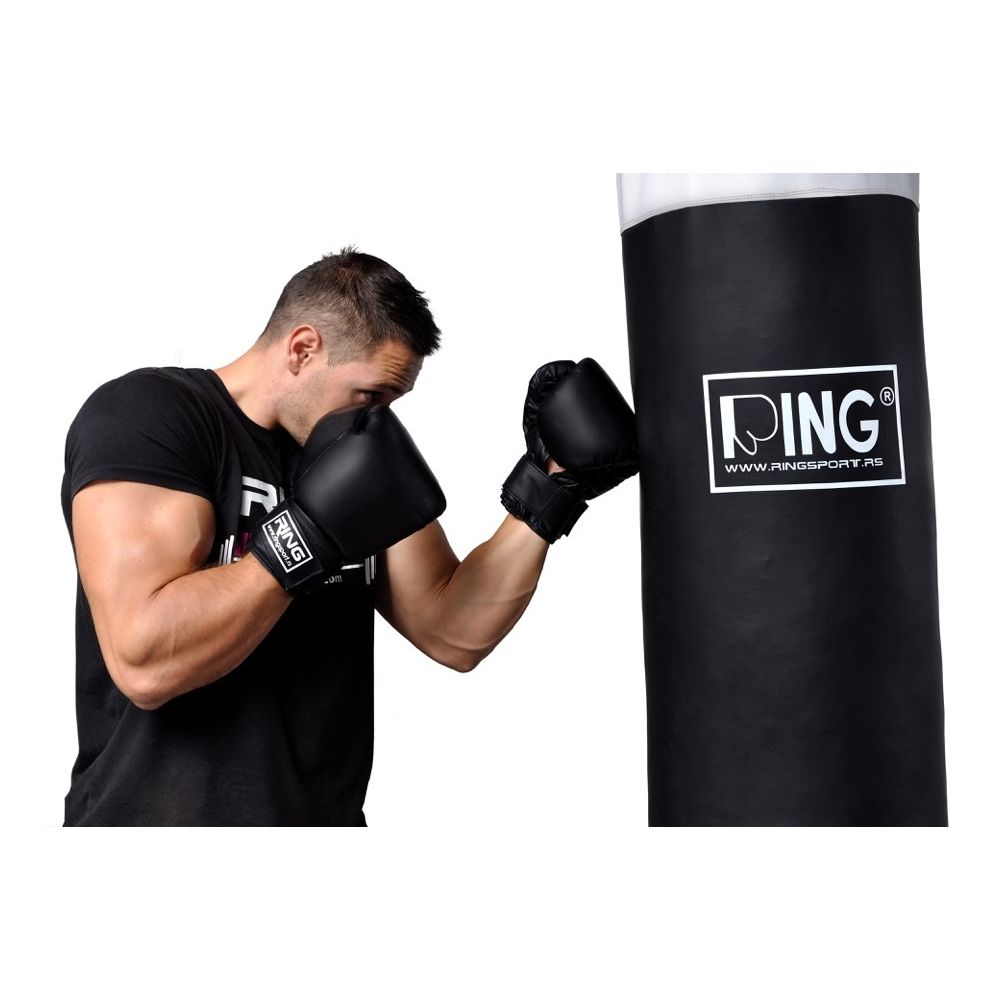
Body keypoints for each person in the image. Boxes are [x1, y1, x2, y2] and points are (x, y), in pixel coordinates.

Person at [61, 246, 638, 826]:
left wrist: (549, 489)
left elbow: (454, 631)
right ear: (303, 349)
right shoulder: (151, 417)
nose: (377, 416)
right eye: (370, 395)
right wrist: (306, 536)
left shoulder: (356, 453)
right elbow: (145, 661)